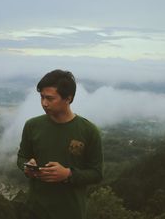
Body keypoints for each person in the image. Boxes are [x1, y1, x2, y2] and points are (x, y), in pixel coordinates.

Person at [17, 69, 104, 219]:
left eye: (50, 98)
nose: (44, 103)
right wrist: (27, 167)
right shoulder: (32, 126)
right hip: (35, 210)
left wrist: (68, 174)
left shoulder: (88, 131)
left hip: (71, 212)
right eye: (42, 97)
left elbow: (96, 173)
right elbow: (21, 157)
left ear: (68, 98)